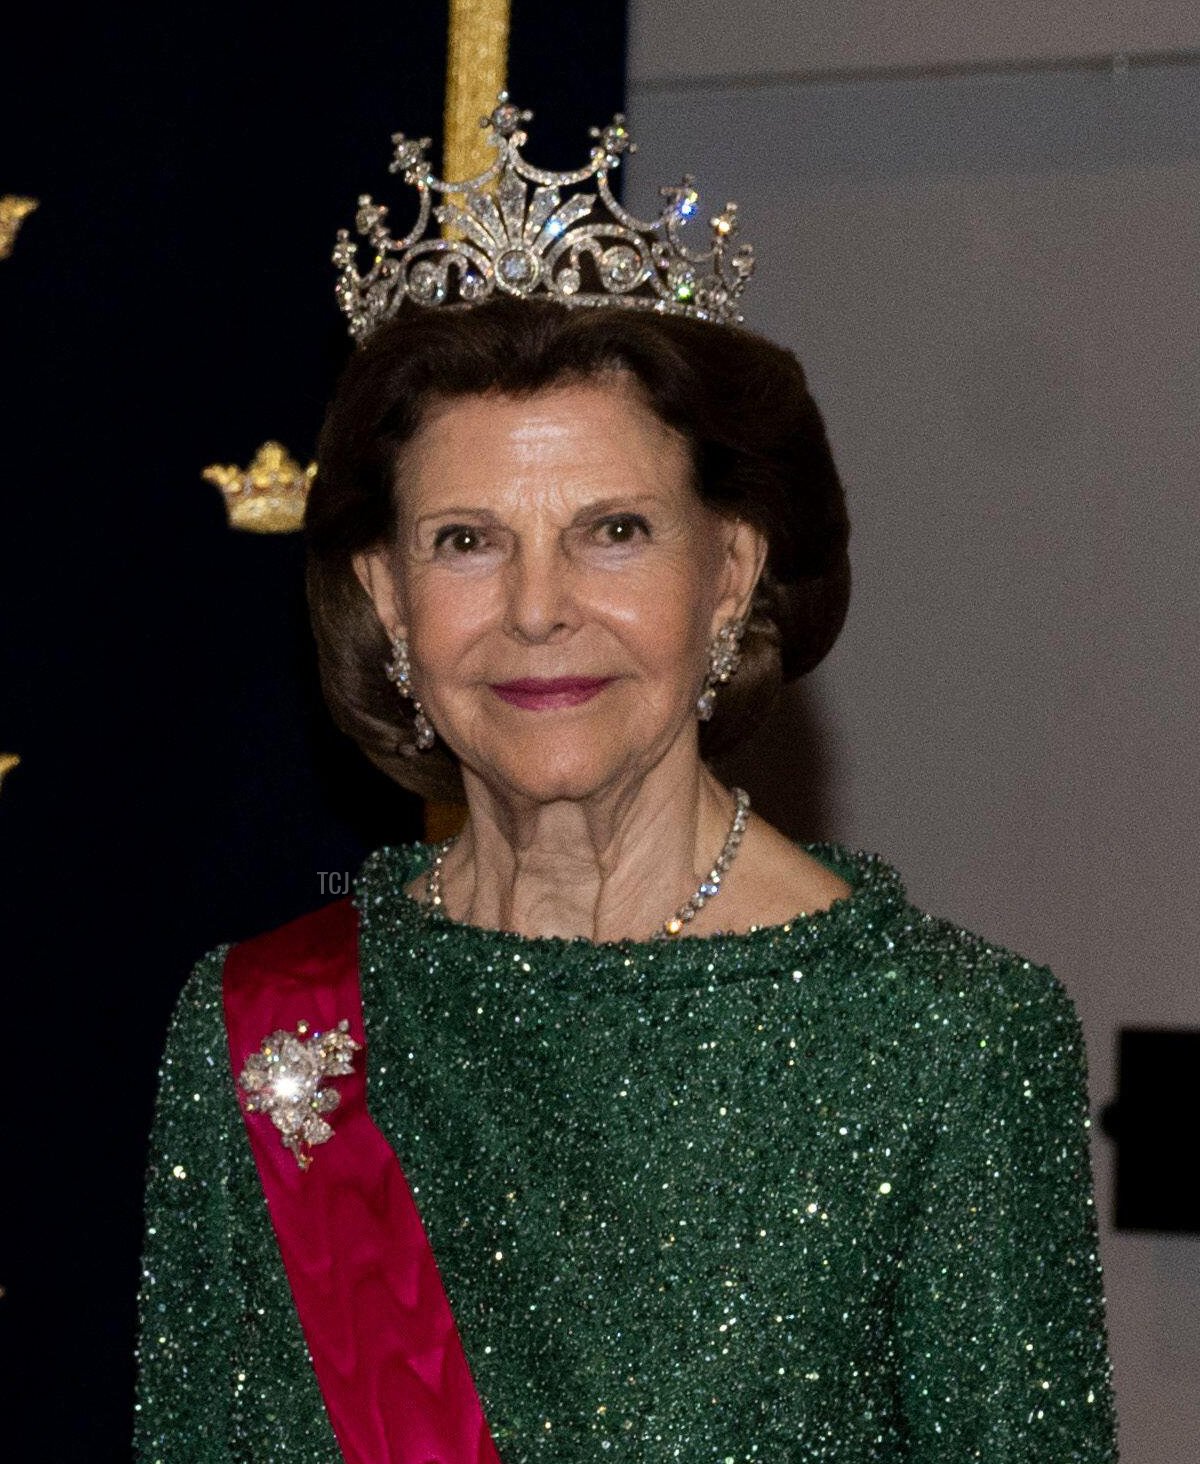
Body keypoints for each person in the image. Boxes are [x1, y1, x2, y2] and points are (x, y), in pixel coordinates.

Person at [134, 103, 1117, 1463]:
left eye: (615, 532)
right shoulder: (262, 1036)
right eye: (468, 540)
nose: (538, 611)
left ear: (730, 573)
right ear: (387, 595)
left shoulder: (945, 1045)